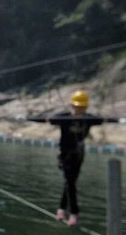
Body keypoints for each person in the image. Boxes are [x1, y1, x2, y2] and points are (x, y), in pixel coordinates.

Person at [28, 90, 119, 226]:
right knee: (70, 182)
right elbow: (46, 120)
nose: (79, 109)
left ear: (86, 107)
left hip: (79, 155)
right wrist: (28, 118)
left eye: (82, 107)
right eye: (77, 106)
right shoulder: (64, 117)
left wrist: (120, 119)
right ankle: (74, 213)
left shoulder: (88, 119)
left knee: (70, 182)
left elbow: (106, 120)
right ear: (72, 105)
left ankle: (61, 209)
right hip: (65, 154)